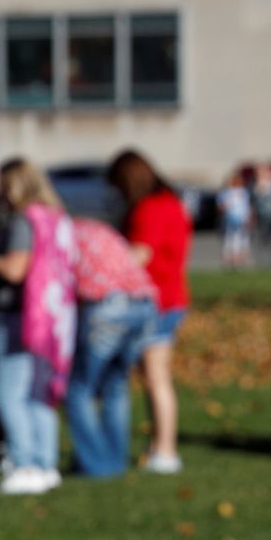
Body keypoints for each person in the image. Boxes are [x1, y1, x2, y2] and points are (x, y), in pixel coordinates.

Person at [0, 158, 75, 495]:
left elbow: (16, 269)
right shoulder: (55, 218)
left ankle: (25, 462)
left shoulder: (24, 220)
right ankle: (45, 463)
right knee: (37, 396)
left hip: (17, 315)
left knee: (6, 395)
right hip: (52, 319)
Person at [109, 148, 191, 474]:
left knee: (156, 377)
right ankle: (161, 446)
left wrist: (105, 267)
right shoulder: (171, 203)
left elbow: (140, 253)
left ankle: (166, 450)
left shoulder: (150, 208)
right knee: (156, 377)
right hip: (170, 296)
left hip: (157, 299)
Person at [63, 215, 159, 479]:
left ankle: (96, 464)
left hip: (107, 306)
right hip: (143, 304)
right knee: (116, 386)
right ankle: (115, 459)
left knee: (78, 389)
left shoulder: (62, 234)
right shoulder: (97, 228)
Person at [218, 172, 252, 270]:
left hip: (241, 218)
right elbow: (222, 206)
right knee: (230, 239)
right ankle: (230, 259)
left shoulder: (243, 192)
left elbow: (246, 207)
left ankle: (239, 259)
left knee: (241, 239)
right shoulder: (226, 192)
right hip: (230, 219)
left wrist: (247, 218)